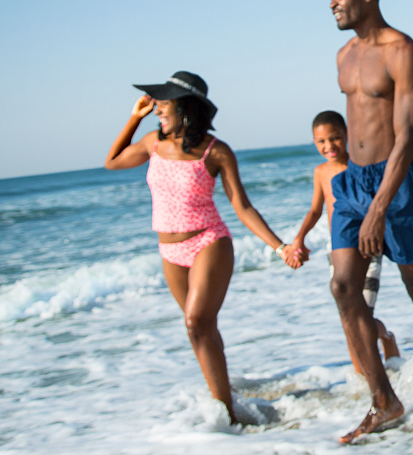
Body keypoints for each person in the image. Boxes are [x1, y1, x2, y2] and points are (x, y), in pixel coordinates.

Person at [104, 70, 308, 423]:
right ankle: (225, 403)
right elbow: (112, 162)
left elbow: (242, 207)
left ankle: (226, 414)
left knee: (196, 320)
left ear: (185, 107)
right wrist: (133, 119)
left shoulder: (216, 151)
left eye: (163, 104)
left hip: (208, 242)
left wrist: (280, 247)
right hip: (169, 251)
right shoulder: (153, 142)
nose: (157, 110)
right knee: (200, 329)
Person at [327, 0, 413, 443]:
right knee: (342, 288)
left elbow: (406, 134)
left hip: (398, 183)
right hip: (353, 184)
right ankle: (384, 401)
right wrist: (359, 194)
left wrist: (380, 205)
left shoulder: (403, 51)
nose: (333, 3)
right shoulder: (343, 55)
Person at [289, 110, 400, 374]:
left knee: (363, 313)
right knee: (348, 315)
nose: (329, 146)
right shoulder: (321, 172)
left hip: (367, 245)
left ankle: (385, 337)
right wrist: (299, 238)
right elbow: (316, 210)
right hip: (337, 248)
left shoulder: (358, 167)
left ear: (348, 134)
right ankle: (363, 377)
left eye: (335, 138)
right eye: (321, 142)